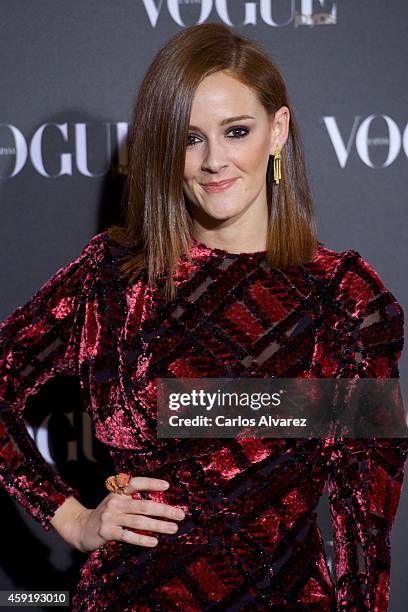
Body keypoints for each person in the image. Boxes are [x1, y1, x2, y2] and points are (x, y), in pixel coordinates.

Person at [0, 21, 406, 611]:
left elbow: (367, 508)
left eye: (235, 131)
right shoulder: (112, 279)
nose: (214, 161)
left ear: (278, 131)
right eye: (190, 139)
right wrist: (72, 518)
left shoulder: (345, 299)